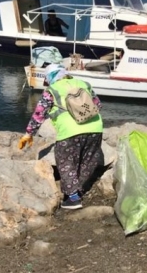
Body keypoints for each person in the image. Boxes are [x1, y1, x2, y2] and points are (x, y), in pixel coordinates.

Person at [18, 64, 104, 210]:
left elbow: (39, 114)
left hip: (69, 132)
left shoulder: (52, 90)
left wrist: (28, 134)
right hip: (95, 128)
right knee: (88, 162)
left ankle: (73, 198)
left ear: (50, 77)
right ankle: (79, 190)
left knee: (65, 163)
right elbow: (98, 105)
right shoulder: (83, 84)